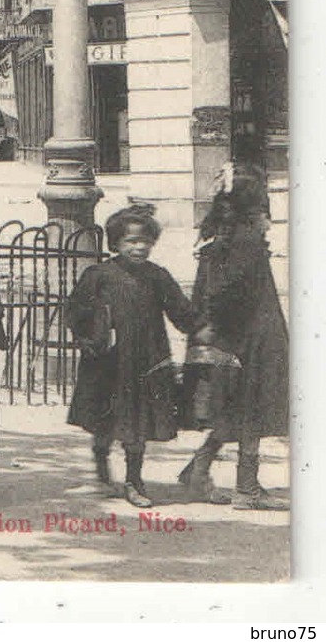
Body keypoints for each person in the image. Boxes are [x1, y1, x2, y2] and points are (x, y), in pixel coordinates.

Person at [64, 204, 207, 508]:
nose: (139, 247)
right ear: (115, 243)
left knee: (137, 425)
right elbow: (76, 311)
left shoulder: (157, 276)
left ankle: (134, 480)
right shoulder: (99, 275)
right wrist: (89, 337)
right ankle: (102, 466)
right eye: (131, 241)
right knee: (105, 423)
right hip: (108, 363)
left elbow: (180, 312)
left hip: (146, 362)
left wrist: (204, 325)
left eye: (145, 241)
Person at [177, 163, 289, 510]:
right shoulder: (246, 240)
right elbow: (227, 289)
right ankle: (247, 488)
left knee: (233, 410)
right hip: (250, 338)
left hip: (234, 337)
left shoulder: (220, 235)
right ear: (254, 206)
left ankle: (199, 469)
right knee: (251, 410)